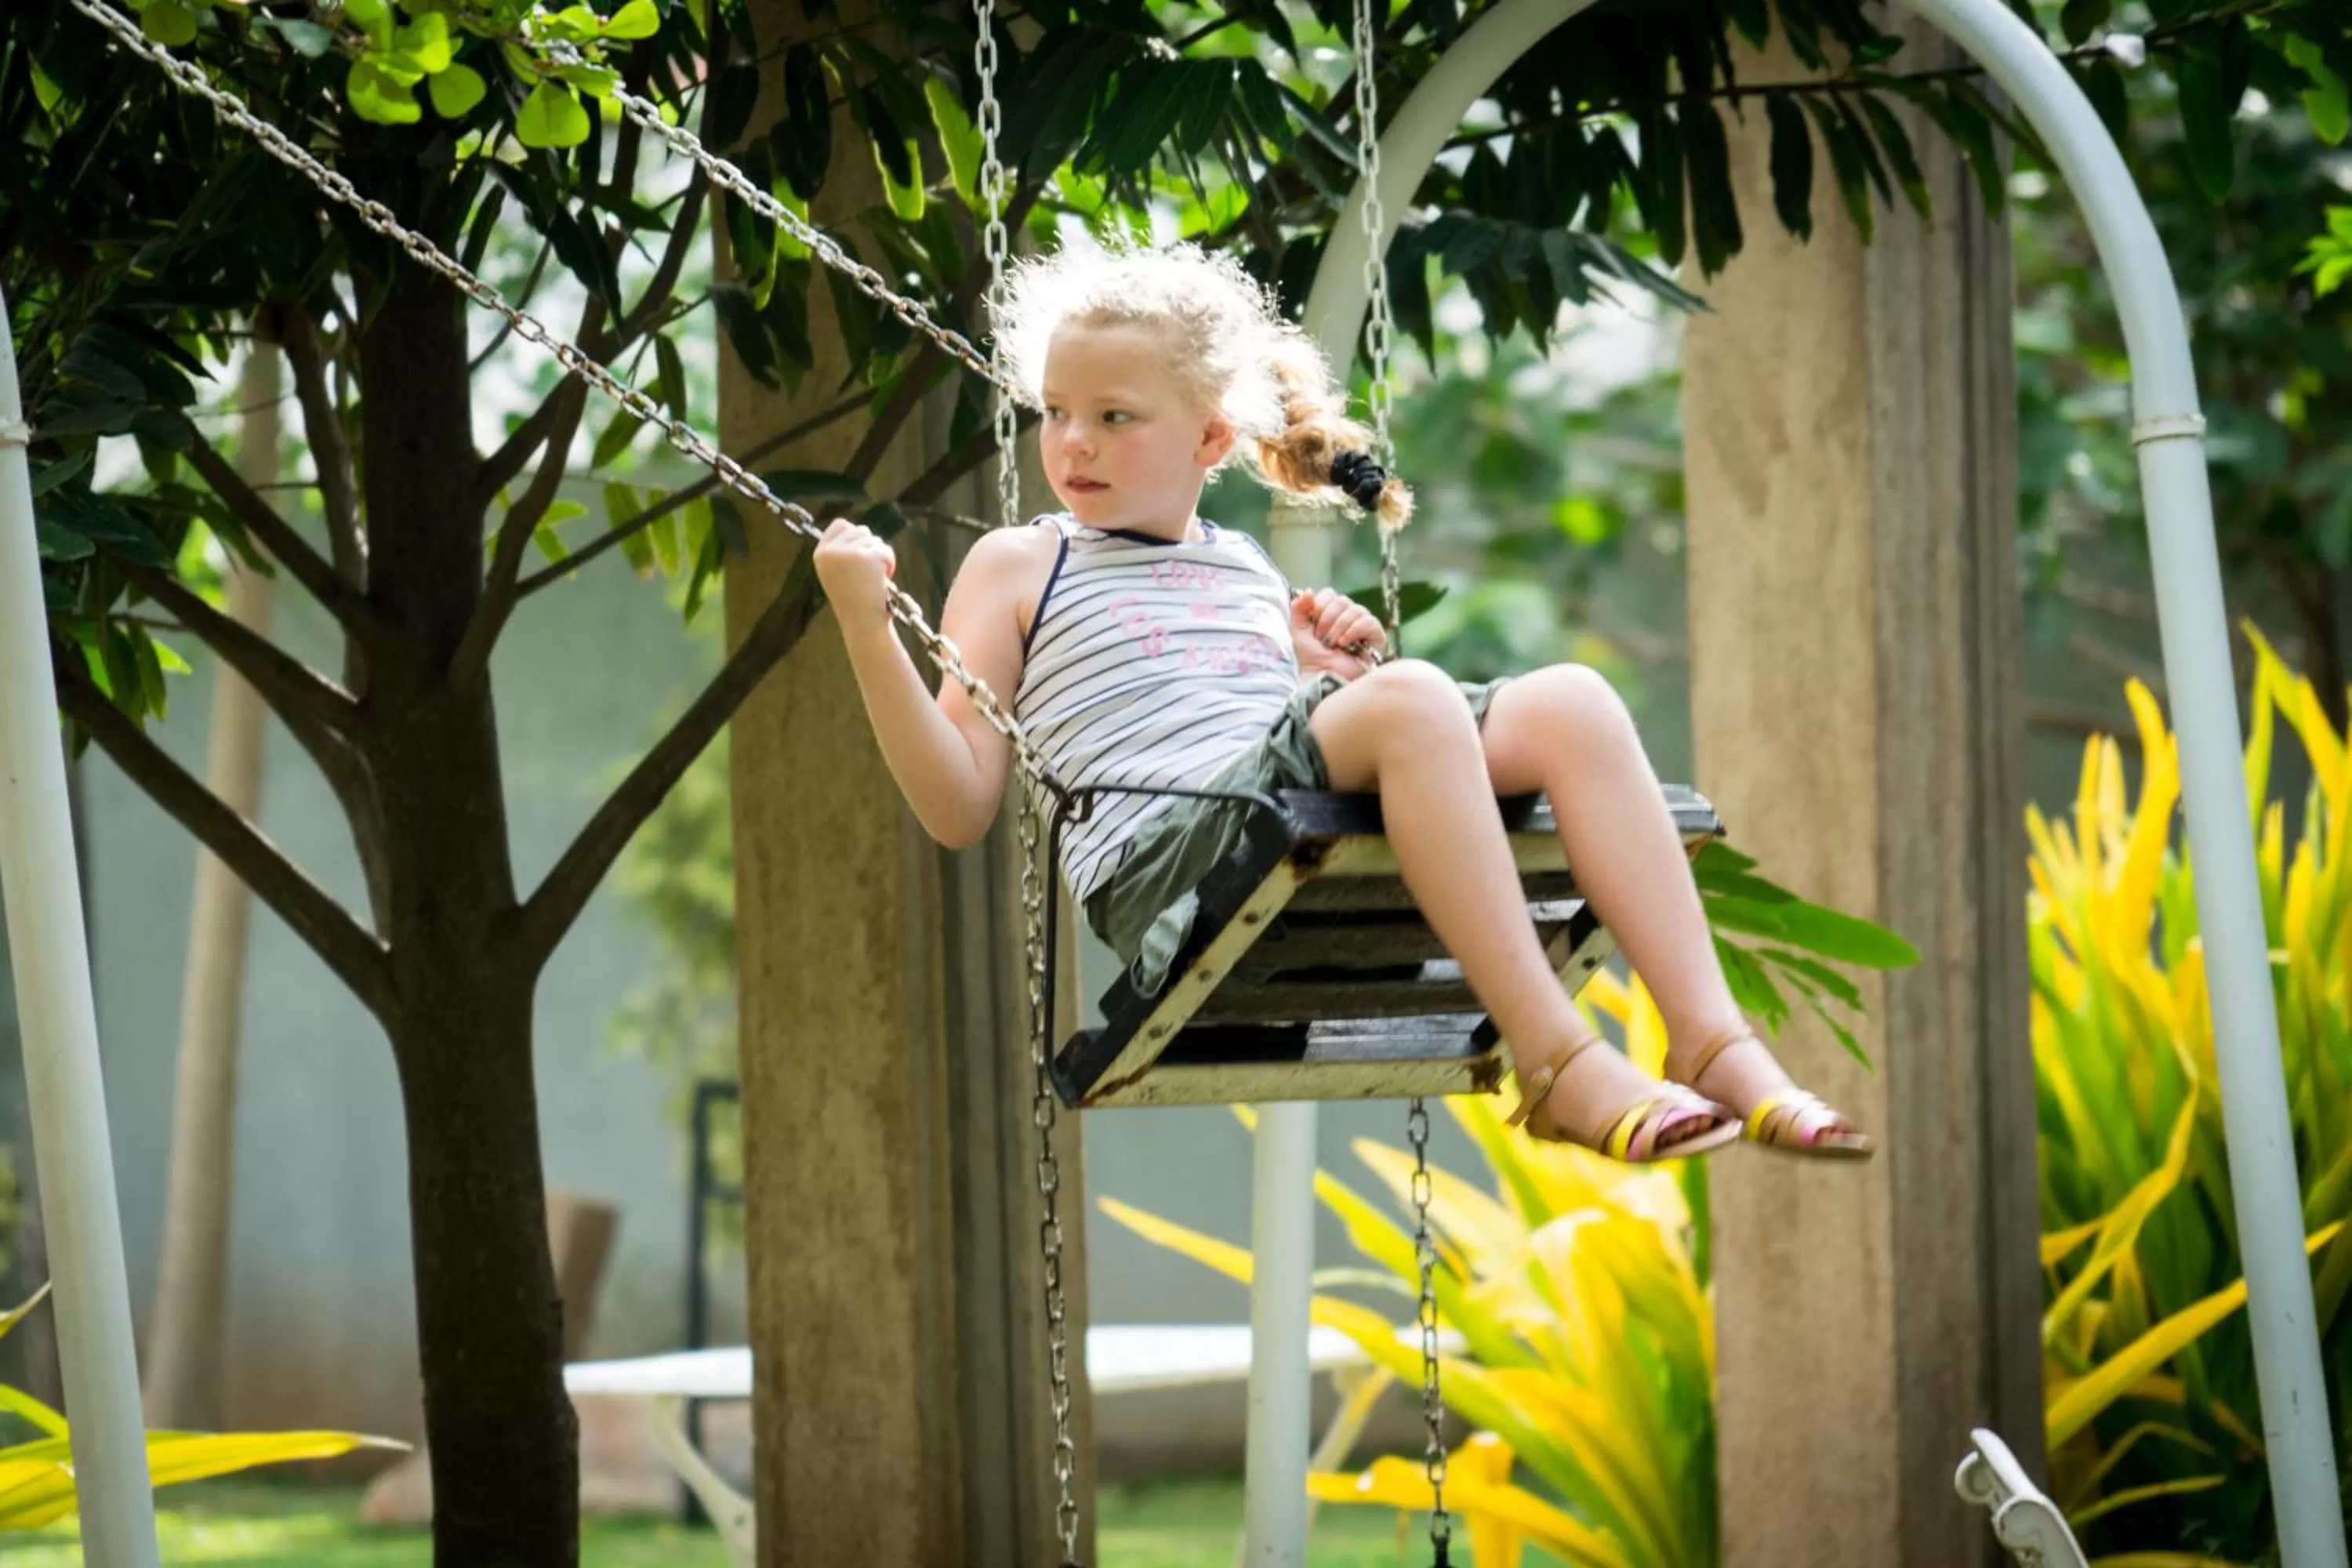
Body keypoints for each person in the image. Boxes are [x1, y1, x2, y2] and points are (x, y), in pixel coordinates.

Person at [812, 238, 1869, 1163]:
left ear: (1211, 441)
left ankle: (1709, 1037)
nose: (1073, 442)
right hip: (1169, 852)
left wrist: (1330, 679)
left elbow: (1309, 749)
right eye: (1057, 412)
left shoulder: (1242, 569)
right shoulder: (1019, 562)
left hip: (1259, 804)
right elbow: (957, 807)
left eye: (1112, 417)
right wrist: (867, 626)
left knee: (1574, 702)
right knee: (1413, 700)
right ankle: (1557, 1065)